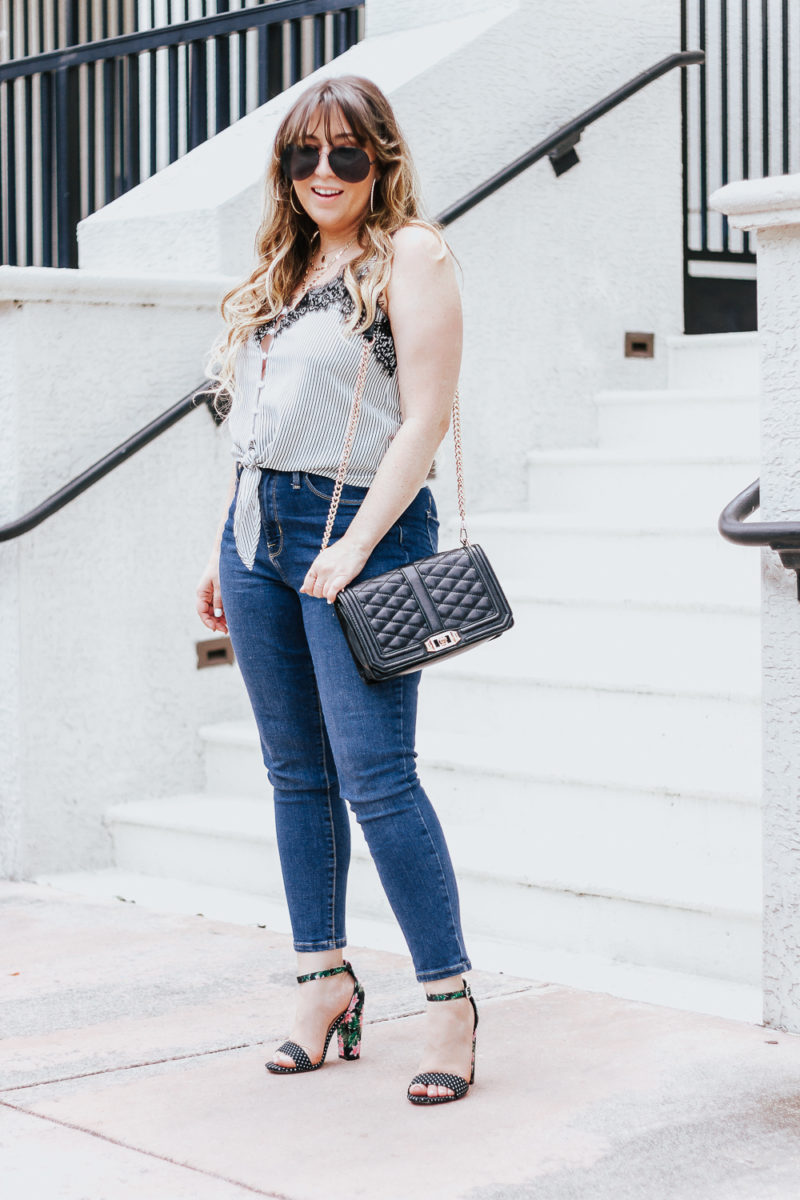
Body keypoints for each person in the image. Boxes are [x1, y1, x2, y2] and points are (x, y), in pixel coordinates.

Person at [196, 75, 477, 1105]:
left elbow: (425, 418)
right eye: (304, 156)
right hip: (259, 534)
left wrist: (356, 544)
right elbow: (258, 423)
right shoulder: (284, 265)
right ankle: (320, 983)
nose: (324, 173)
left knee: (375, 777)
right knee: (293, 777)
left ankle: (447, 1006)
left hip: (362, 529)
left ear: (380, 160)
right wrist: (224, 544)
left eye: (346, 154)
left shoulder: (410, 253)